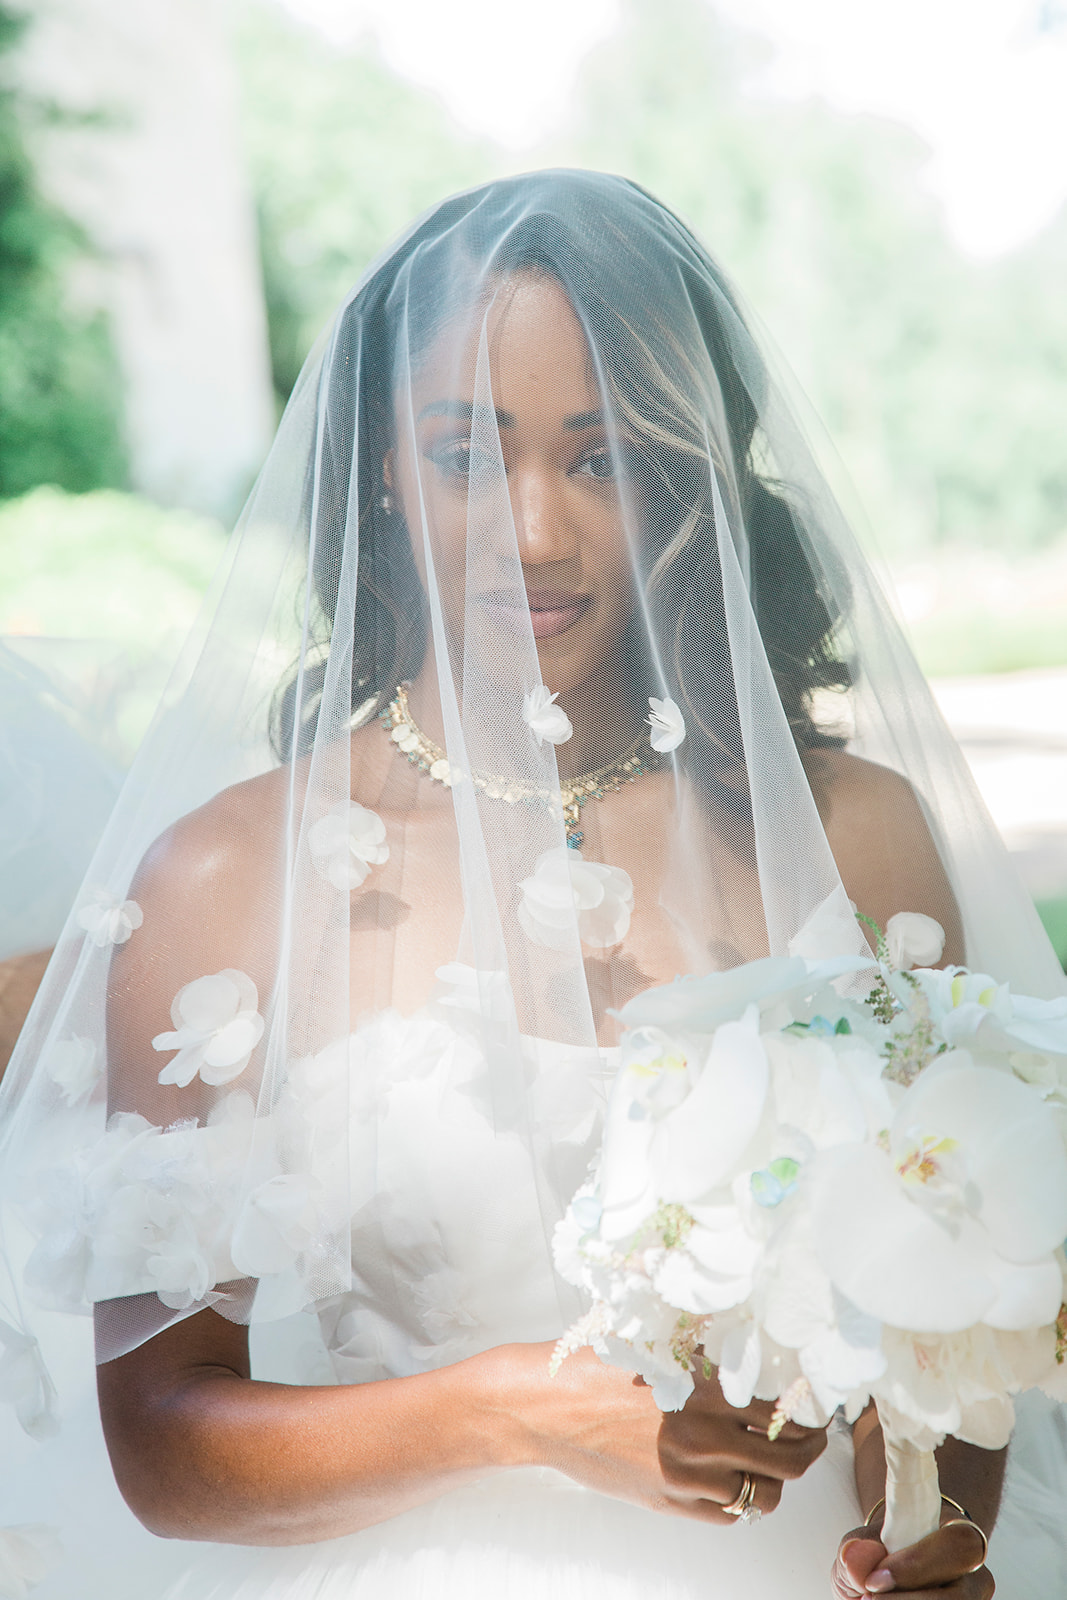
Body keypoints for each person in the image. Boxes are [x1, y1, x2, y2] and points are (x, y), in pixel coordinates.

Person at [1, 170, 1064, 1600]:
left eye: (602, 456)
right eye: (463, 455)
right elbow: (165, 1451)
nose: (535, 532)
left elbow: (940, 1339)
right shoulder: (228, 874)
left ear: (686, 473)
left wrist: (939, 1533)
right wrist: (508, 1410)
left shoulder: (849, 835)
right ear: (378, 465)